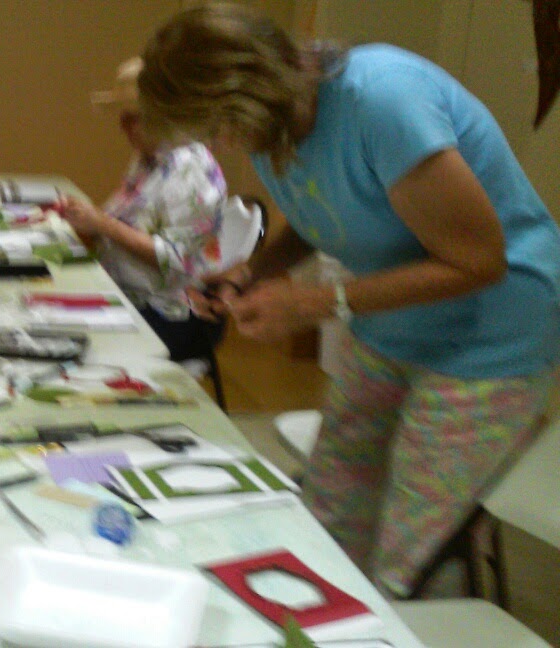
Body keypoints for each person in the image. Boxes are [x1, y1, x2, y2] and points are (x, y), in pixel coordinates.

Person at [136, 2, 560, 598]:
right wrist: (251, 272)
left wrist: (312, 303)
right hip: (395, 322)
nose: (219, 144)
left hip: (491, 336)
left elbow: (478, 261)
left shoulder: (382, 101)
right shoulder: (277, 121)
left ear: (247, 92)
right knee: (330, 512)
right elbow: (323, 208)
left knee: (405, 552)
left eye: (215, 128)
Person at [58, 56, 231, 363]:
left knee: (64, 339)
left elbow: (174, 260)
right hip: (128, 295)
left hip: (172, 313)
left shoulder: (191, 171)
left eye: (131, 118)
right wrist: (83, 220)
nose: (122, 127)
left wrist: (102, 224)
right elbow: (120, 222)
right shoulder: (149, 157)